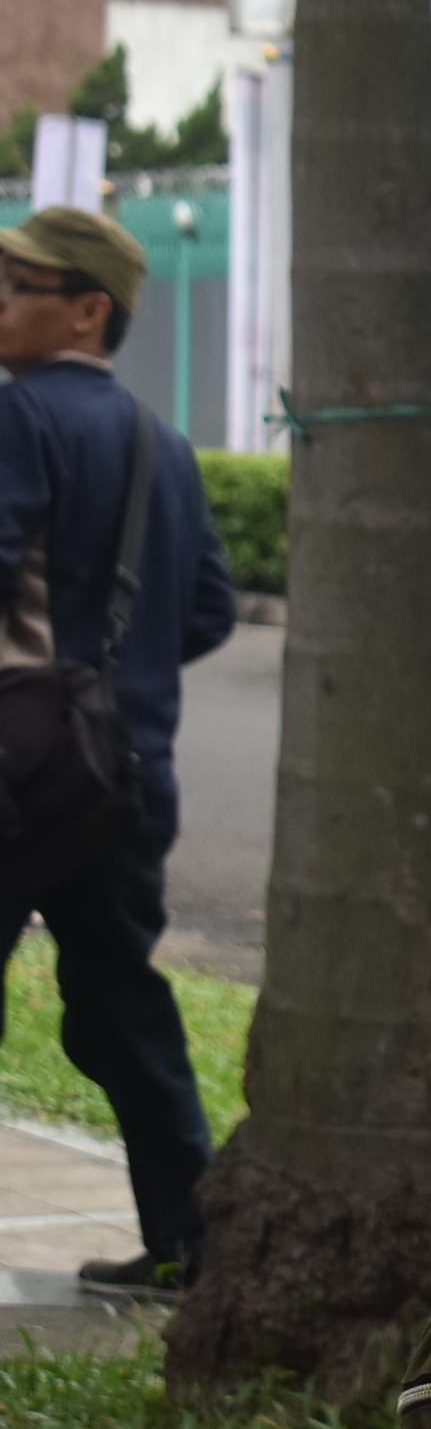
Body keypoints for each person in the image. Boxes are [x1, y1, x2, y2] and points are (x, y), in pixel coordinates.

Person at [0, 207, 236, 1299]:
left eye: (19, 284)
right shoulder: (164, 441)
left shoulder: (20, 420)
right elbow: (210, 609)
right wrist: (116, 665)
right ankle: (184, 1240)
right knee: (122, 1004)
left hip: (17, 771)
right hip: (127, 776)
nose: (1, 301)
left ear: (88, 308)